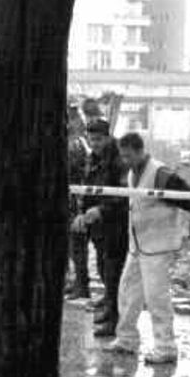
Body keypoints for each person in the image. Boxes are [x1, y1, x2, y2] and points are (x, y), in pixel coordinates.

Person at [107, 132, 190, 365]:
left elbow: (188, 196)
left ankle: (165, 346)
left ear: (139, 151)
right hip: (137, 244)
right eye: (122, 156)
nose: (125, 161)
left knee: (156, 297)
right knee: (127, 291)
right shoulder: (132, 173)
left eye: (128, 156)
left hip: (158, 245)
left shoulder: (160, 173)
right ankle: (126, 339)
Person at [70, 118, 129, 338]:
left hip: (116, 223)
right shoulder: (92, 157)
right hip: (98, 225)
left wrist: (101, 210)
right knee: (105, 269)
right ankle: (110, 309)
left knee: (114, 273)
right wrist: (81, 213)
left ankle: (116, 319)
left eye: (98, 139)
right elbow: (88, 188)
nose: (93, 143)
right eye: (90, 139)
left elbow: (122, 196)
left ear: (107, 137)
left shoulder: (118, 159)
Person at [66, 106, 94, 299]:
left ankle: (80, 283)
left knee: (76, 244)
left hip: (75, 199)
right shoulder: (79, 143)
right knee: (71, 245)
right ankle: (75, 281)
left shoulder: (76, 144)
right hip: (74, 198)